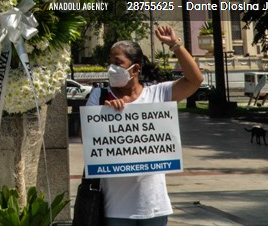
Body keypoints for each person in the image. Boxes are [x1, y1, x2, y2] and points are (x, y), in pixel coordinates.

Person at [85, 26, 204, 225]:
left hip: (153, 205)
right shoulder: (99, 96)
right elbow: (86, 138)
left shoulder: (158, 94)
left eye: (118, 63)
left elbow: (195, 80)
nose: (111, 68)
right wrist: (104, 117)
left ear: (136, 68)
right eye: (110, 63)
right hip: (114, 207)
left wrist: (175, 45)